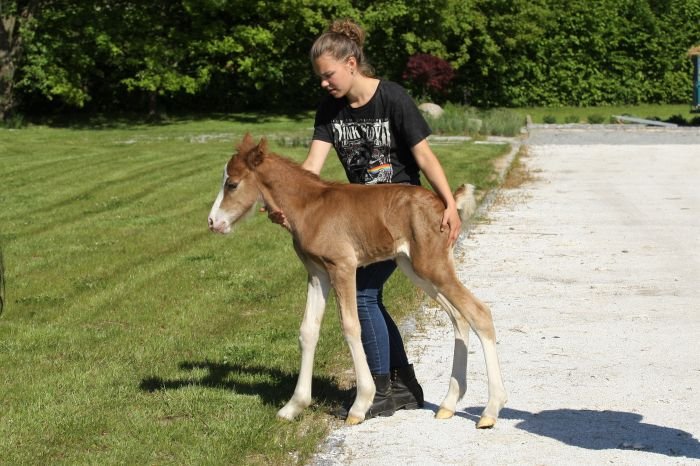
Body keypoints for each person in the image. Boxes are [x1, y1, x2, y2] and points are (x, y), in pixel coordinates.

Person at [270, 18, 462, 419]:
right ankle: (402, 384)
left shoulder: (392, 97)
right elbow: (311, 167)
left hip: (400, 216)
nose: (324, 83)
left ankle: (380, 388)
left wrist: (449, 203)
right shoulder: (331, 109)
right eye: (320, 77)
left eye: (329, 75)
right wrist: (286, 203)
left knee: (362, 295)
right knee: (368, 295)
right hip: (362, 219)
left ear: (351, 64)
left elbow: (424, 156)